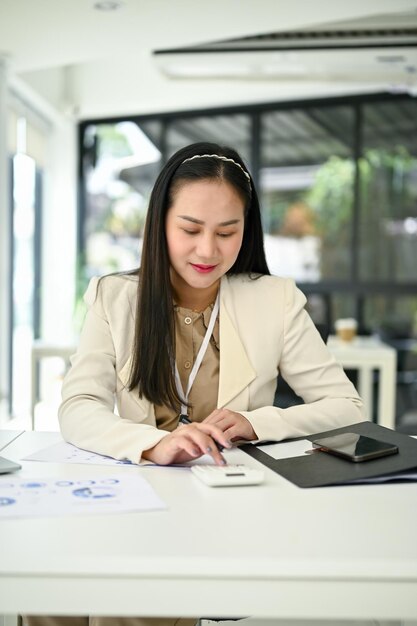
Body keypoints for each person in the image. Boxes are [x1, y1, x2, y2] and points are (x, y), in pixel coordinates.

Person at [24, 142, 364, 626]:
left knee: (144, 605)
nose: (208, 250)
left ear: (246, 232)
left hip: (229, 505)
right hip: (134, 501)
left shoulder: (274, 299)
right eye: (190, 229)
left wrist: (255, 422)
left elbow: (347, 407)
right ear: (159, 223)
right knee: (54, 595)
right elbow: (78, 406)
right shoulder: (114, 296)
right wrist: (152, 444)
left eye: (227, 231)